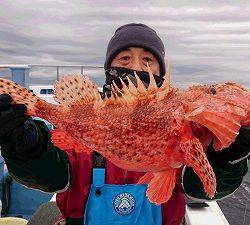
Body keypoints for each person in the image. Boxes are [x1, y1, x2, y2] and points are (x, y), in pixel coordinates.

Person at [0, 23, 249, 225]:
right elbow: (52, 178)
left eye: (148, 60)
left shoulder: (187, 124)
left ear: (160, 70)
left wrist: (227, 160)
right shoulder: (88, 116)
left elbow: (203, 190)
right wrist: (25, 147)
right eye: (125, 57)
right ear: (110, 68)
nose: (136, 66)